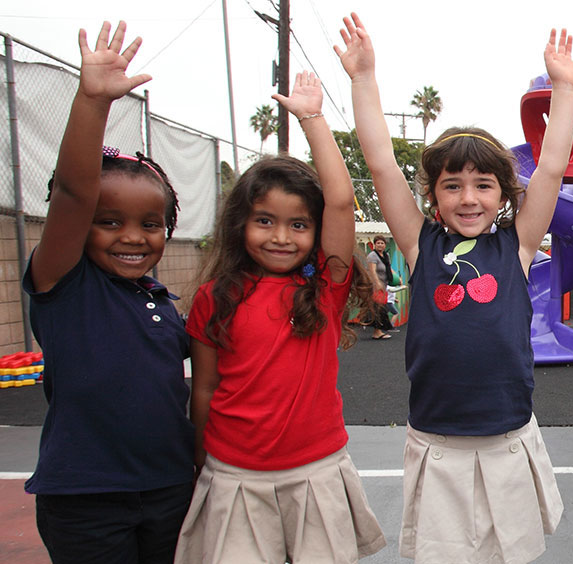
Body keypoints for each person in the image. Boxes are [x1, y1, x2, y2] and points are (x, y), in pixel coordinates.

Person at [339, 13, 573, 563]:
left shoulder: (516, 246)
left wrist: (563, 88)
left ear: (503, 194)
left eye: (482, 185)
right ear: (432, 195)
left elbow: (551, 169)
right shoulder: (420, 246)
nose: (468, 197)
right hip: (438, 441)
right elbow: (379, 164)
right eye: (452, 185)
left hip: (507, 437)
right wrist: (363, 79)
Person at [177, 70, 385, 563]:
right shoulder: (214, 296)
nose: (280, 237)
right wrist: (201, 459)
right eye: (264, 221)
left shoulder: (323, 290)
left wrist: (313, 119)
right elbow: (203, 388)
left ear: (315, 232)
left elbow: (338, 199)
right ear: (240, 223)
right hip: (232, 475)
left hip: (316, 470)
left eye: (298, 225)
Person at [22, 21, 193, 564]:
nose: (132, 237)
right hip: (86, 497)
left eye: (151, 223)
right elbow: (74, 192)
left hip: (169, 487)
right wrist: (92, 101)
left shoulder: (161, 301)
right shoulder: (66, 284)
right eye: (109, 221)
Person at [367, 235, 397, 338]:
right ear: (374, 245)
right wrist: (377, 283)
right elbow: (372, 271)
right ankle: (377, 332)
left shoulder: (386, 255)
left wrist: (396, 278)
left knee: (381, 308)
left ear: (385, 245)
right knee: (379, 309)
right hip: (376, 287)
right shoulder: (372, 256)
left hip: (384, 286)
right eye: (378, 243)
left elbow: (388, 268)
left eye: (382, 243)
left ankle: (378, 331)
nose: (380, 245)